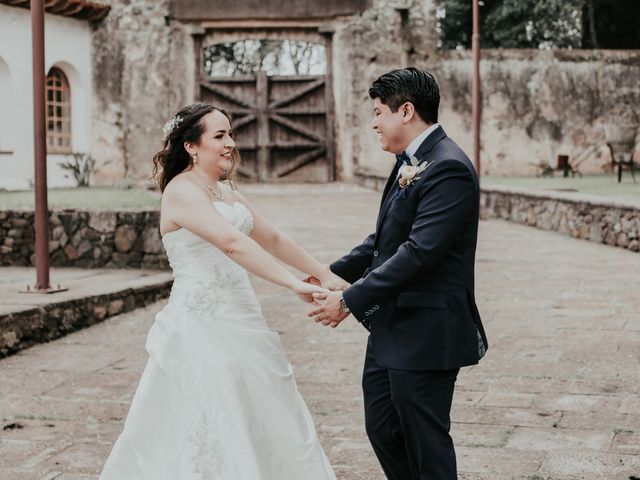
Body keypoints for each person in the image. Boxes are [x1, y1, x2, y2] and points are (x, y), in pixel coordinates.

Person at [99, 102, 346, 479]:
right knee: (216, 412)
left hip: (243, 315)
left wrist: (321, 272)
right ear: (192, 147)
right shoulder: (181, 192)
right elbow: (231, 243)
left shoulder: (226, 191)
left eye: (230, 133)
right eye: (219, 136)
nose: (230, 143)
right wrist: (292, 284)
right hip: (202, 323)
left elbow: (273, 238)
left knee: (262, 408)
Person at [309, 67, 489, 480]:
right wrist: (326, 274)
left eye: (378, 112)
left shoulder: (449, 168)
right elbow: (383, 241)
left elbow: (418, 252)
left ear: (405, 110)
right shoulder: (408, 162)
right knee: (383, 428)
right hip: (393, 325)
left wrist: (349, 301)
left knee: (426, 442)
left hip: (427, 330)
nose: (373, 123)